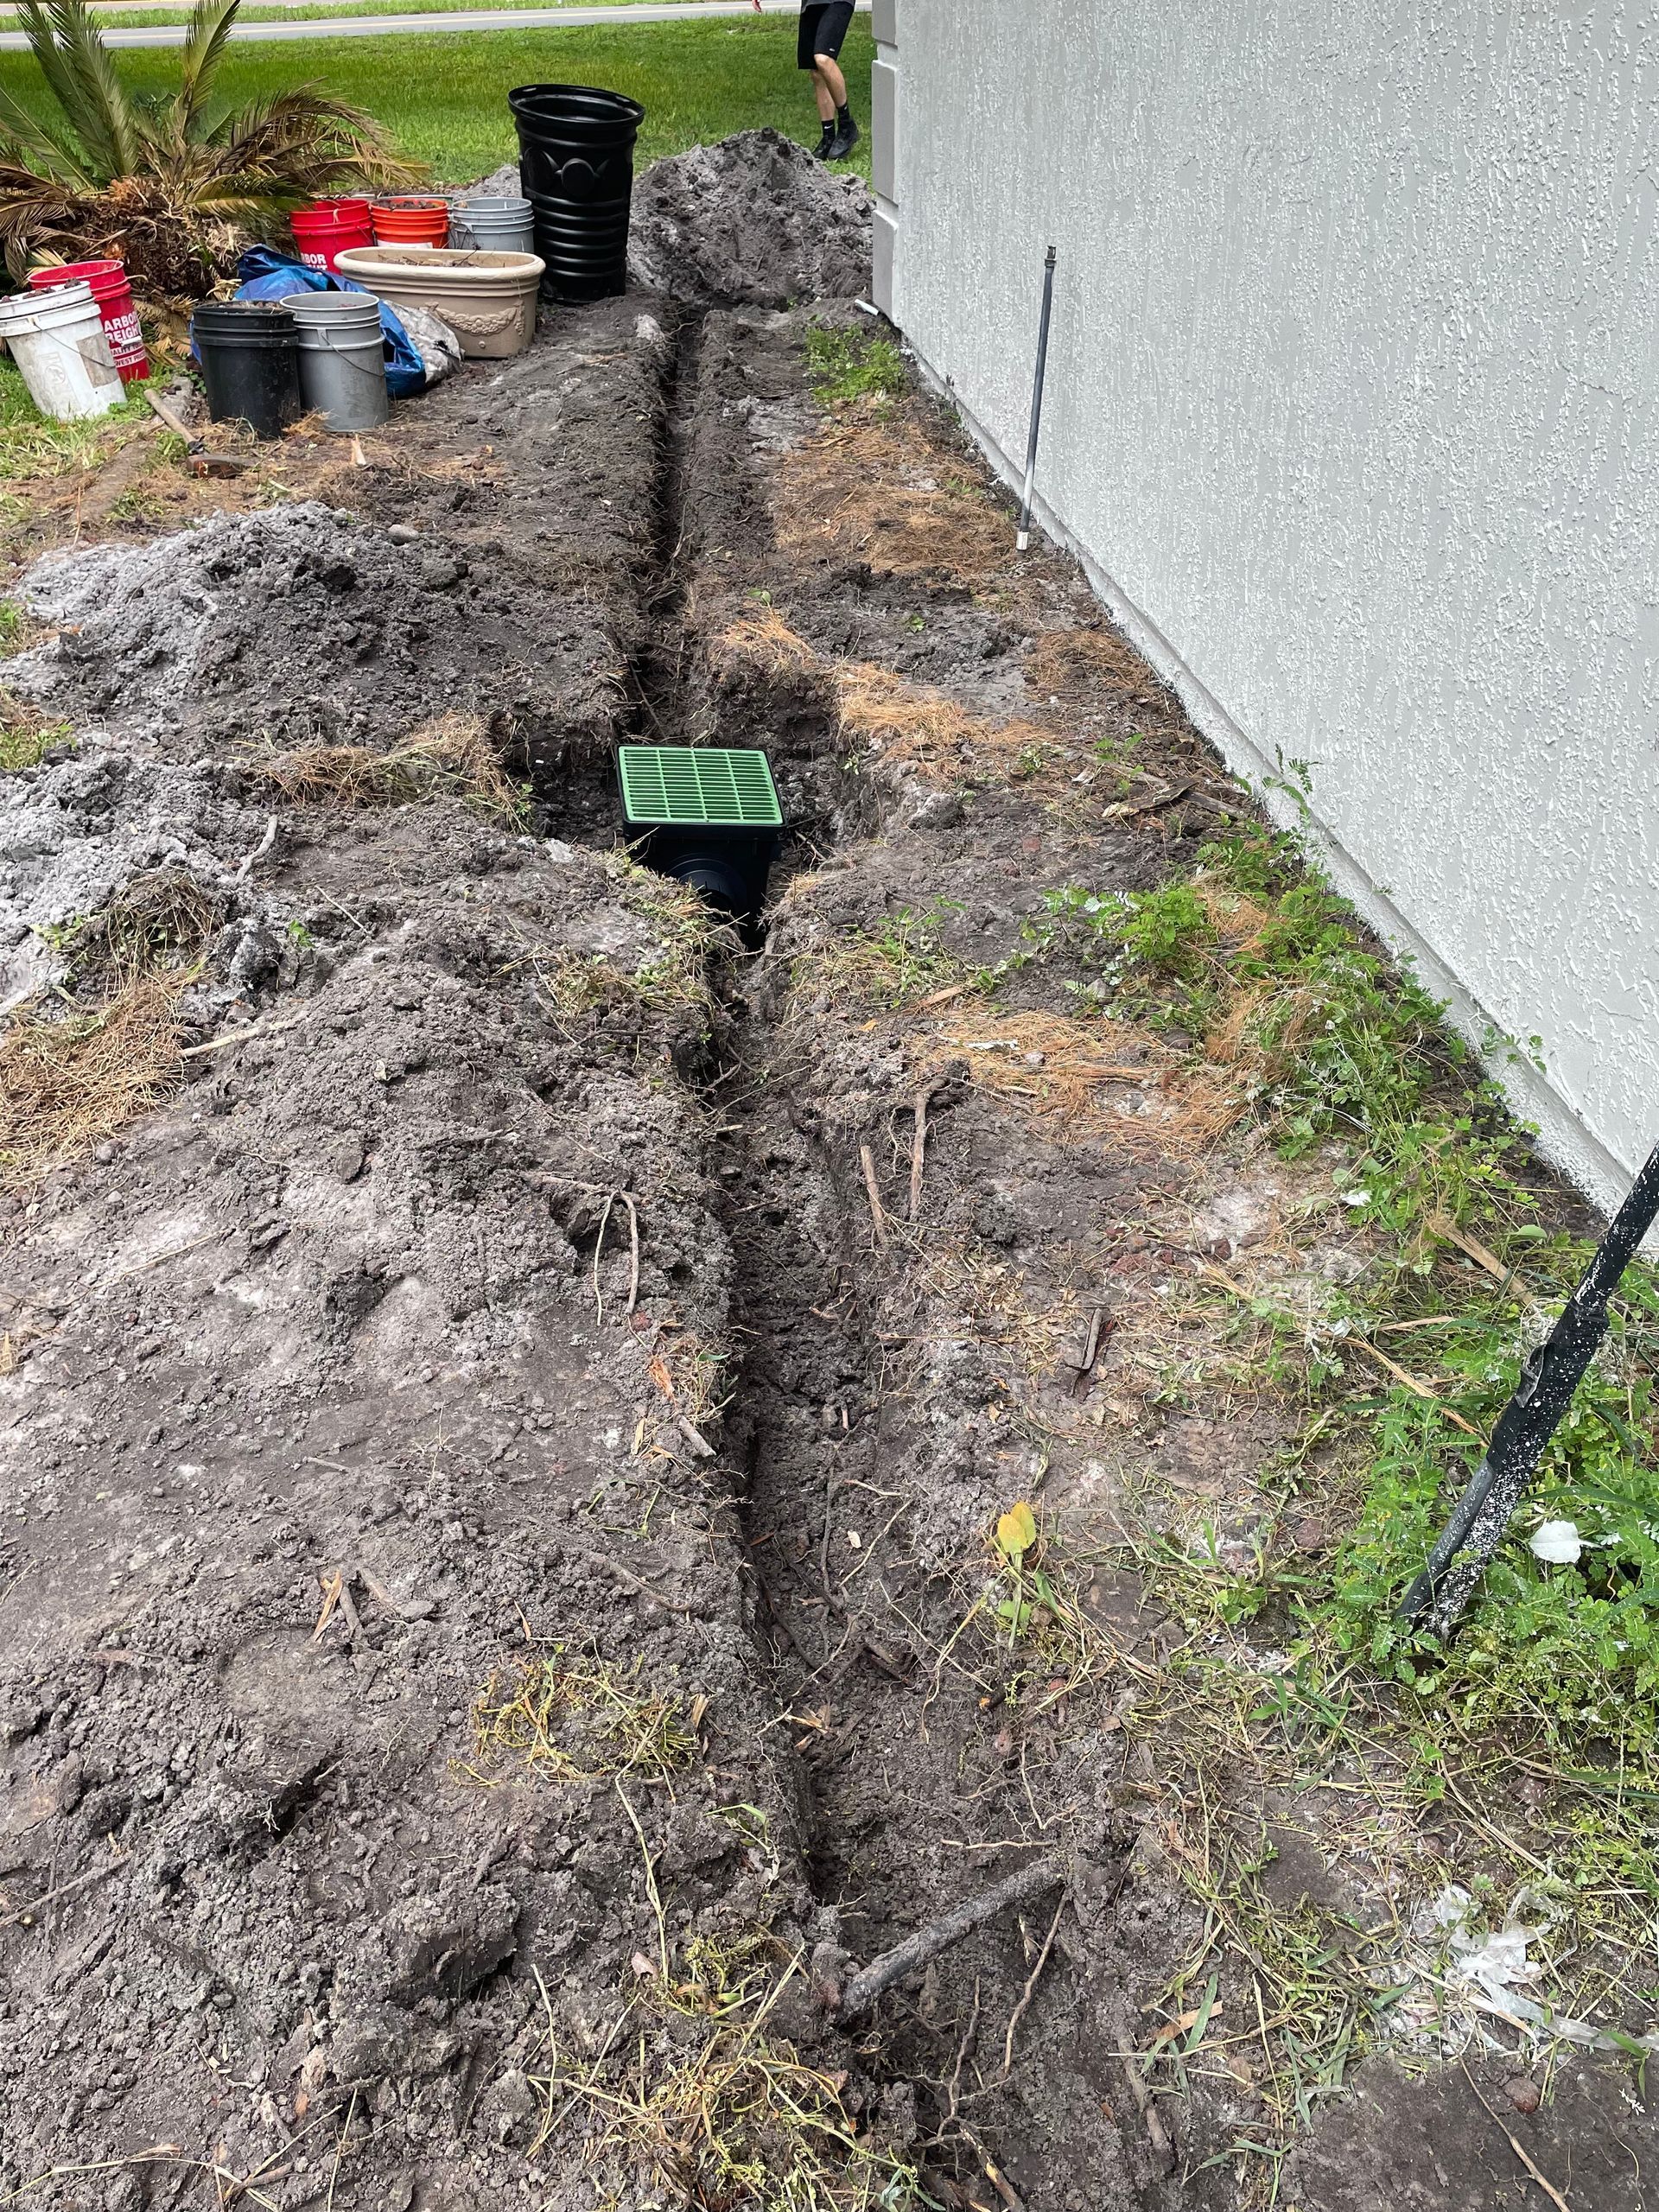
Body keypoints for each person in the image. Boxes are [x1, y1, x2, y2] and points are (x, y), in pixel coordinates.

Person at [756, 0, 860, 160]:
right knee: (816, 72)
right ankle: (828, 137)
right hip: (811, 3)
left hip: (837, 2)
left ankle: (847, 126)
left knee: (823, 59)